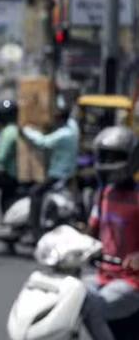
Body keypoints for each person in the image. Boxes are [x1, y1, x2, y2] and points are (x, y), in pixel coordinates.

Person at [81, 126, 139, 340]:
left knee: (92, 306)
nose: (107, 162)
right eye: (104, 156)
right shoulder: (104, 194)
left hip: (132, 283)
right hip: (103, 275)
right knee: (68, 292)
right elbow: (91, 232)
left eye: (114, 157)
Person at [21, 104, 79, 240]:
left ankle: (35, 229)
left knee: (35, 193)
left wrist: (27, 130)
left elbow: (43, 142)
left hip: (59, 173)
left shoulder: (64, 134)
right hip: (67, 172)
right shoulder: (73, 127)